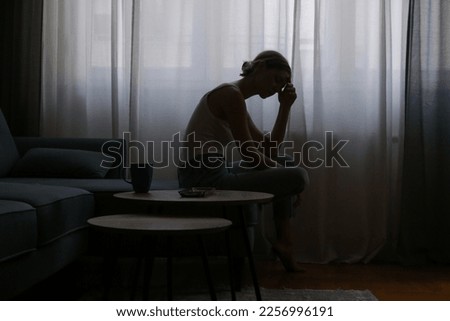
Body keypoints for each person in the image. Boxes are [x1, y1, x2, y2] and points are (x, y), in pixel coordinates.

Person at [178, 50, 309, 272]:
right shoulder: (230, 95)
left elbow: (270, 150)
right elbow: (250, 154)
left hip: (217, 171)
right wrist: (289, 183)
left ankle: (284, 242)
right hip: (203, 178)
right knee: (297, 175)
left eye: (283, 84)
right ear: (259, 67)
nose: (278, 87)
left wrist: (285, 107)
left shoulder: (236, 97)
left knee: (286, 164)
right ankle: (285, 242)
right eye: (277, 79)